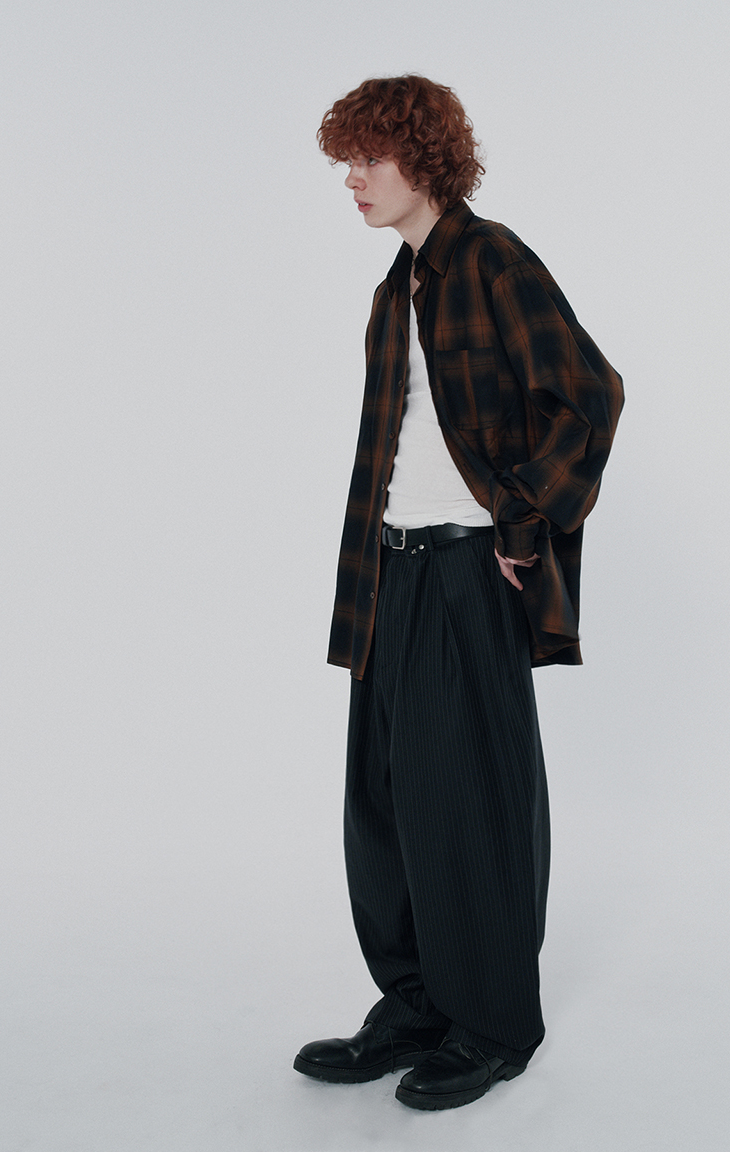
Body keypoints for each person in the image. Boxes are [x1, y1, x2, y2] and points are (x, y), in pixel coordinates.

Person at [293, 75, 624, 1111]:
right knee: (384, 806)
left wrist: (524, 520)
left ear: (424, 160)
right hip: (389, 571)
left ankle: (492, 1024)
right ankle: (418, 1005)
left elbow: (591, 394)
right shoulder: (397, 287)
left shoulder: (491, 261)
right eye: (346, 160)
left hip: (465, 572)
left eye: (369, 158)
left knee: (470, 803)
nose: (352, 178)